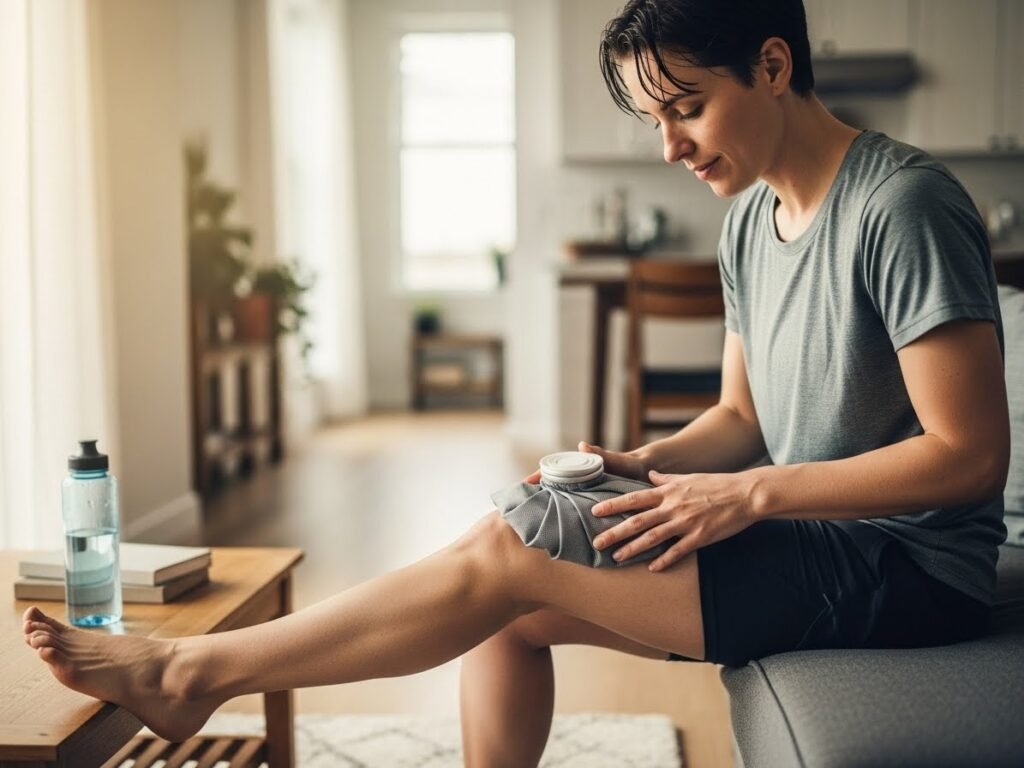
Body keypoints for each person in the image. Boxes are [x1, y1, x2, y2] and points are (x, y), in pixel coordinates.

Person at [23, 0, 1010, 765]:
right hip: (810, 535)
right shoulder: (750, 220)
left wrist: (745, 493)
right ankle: (195, 674)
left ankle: (192, 672)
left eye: (685, 108)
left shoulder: (903, 205)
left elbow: (967, 458)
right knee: (502, 594)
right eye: (651, 118)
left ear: (772, 64)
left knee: (503, 553)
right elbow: (741, 415)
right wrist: (645, 463)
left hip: (909, 570)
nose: (668, 145)